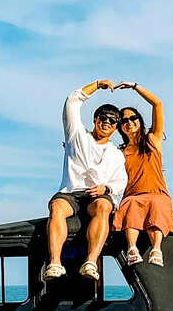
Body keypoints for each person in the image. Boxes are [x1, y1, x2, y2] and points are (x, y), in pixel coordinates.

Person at [45, 80, 128, 281]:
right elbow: (72, 101)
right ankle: (55, 263)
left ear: (116, 127)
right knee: (56, 207)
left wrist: (105, 188)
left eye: (112, 120)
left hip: (97, 197)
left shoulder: (116, 154)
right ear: (95, 119)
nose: (107, 122)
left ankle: (90, 262)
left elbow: (120, 181)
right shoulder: (76, 135)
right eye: (103, 117)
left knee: (103, 207)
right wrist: (97, 85)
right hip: (71, 192)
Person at [111, 82, 173, 267]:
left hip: (157, 192)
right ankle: (132, 249)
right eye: (123, 121)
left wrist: (135, 87)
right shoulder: (120, 153)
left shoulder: (152, 141)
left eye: (132, 118)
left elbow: (157, 104)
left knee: (158, 205)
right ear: (120, 127)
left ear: (139, 120)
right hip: (133, 195)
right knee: (130, 205)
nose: (129, 122)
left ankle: (156, 249)